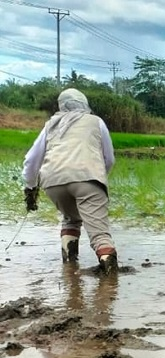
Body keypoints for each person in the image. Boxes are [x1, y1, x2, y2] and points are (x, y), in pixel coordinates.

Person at [22, 88, 118, 275]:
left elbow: (32, 159)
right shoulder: (95, 122)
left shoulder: (51, 124)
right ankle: (110, 288)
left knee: (71, 220)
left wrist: (30, 187)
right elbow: (109, 159)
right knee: (100, 234)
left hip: (53, 183)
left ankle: (70, 270)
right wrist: (97, 177)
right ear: (84, 104)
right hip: (88, 178)